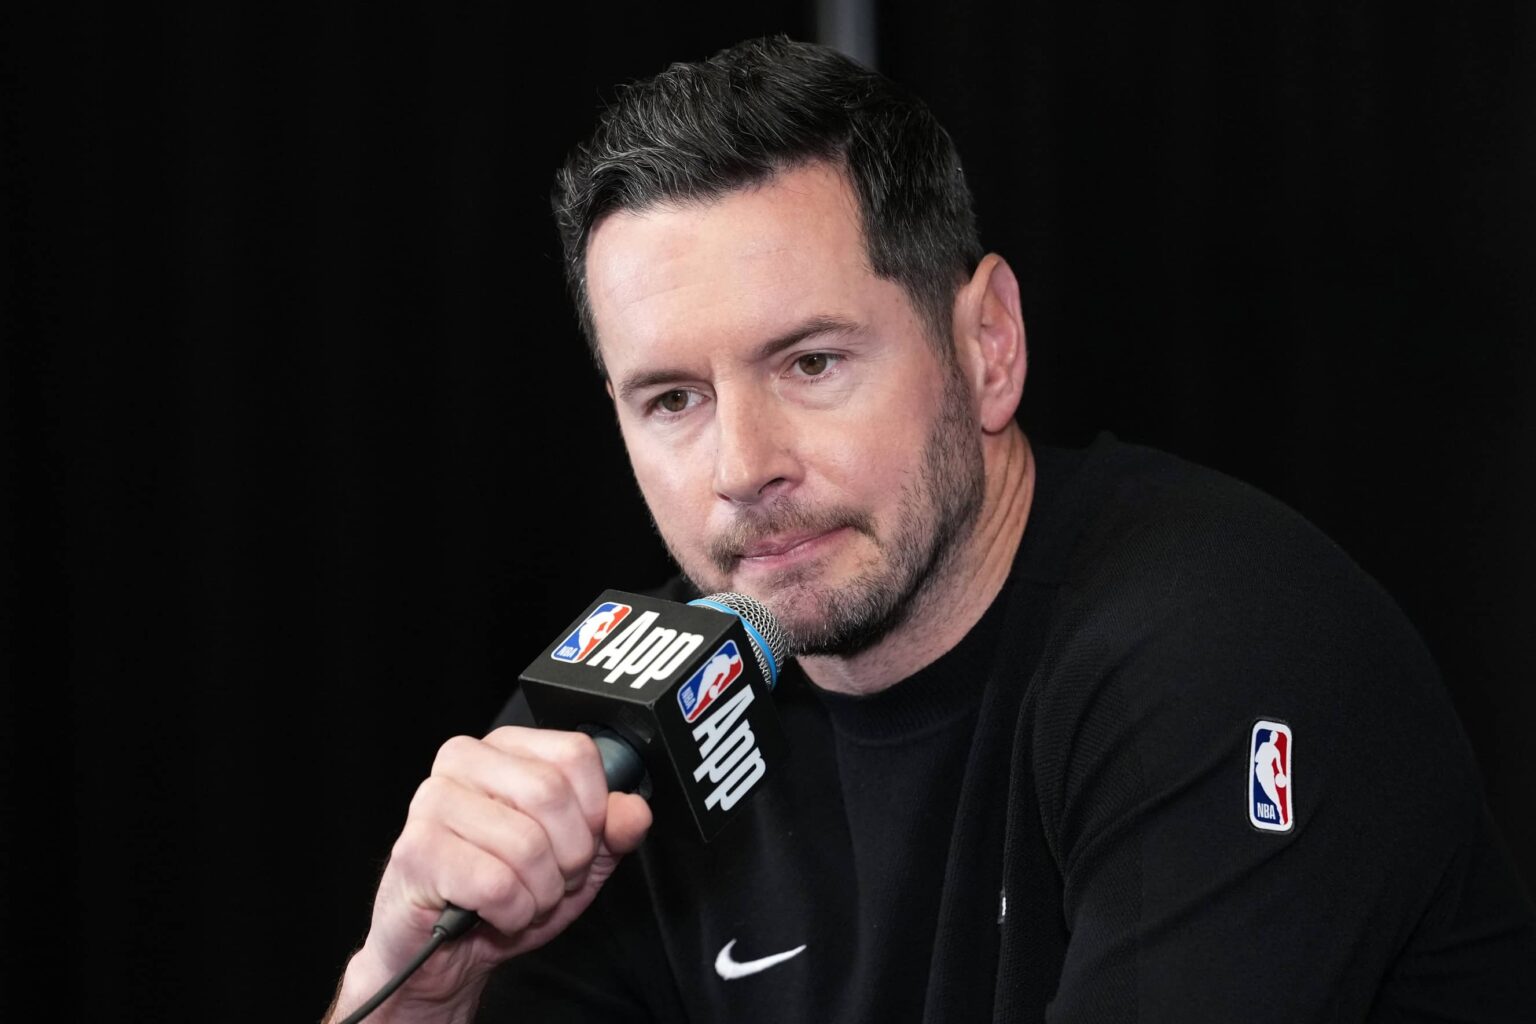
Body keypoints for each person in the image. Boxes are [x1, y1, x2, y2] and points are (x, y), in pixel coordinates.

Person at [326, 36, 1536, 1022]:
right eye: (675, 400)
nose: (744, 469)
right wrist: (423, 995)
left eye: (810, 363)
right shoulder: (625, 725)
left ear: (986, 345)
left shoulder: (1222, 646)